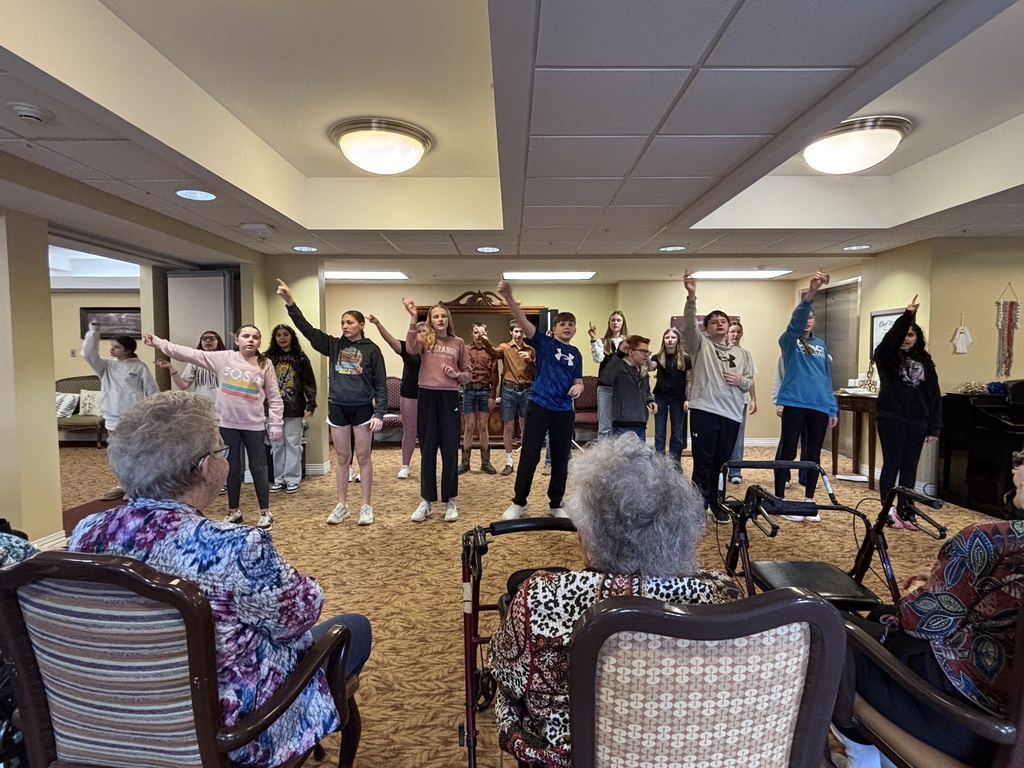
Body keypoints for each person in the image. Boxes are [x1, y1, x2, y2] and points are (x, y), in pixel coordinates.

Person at [66, 392, 371, 768]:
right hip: (224, 730)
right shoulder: (236, 548)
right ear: (206, 468)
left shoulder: (87, 533)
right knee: (353, 628)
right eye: (221, 449)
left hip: (107, 716)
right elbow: (302, 614)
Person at [488, 435, 741, 768]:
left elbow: (506, 675)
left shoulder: (542, 597)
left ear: (590, 532)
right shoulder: (721, 595)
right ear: (681, 526)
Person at [836, 502, 1024, 767]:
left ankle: (863, 761)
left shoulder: (992, 539)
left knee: (824, 630)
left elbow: (918, 620)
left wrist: (925, 586)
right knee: (880, 614)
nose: (1015, 466)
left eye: (1020, 460)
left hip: (965, 724)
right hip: (1011, 732)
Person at [143, 325, 283, 530]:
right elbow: (188, 354)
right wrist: (158, 342)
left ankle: (265, 513)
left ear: (259, 342)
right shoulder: (224, 358)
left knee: (258, 468)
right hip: (227, 424)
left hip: (253, 425)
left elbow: (274, 397)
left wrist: (276, 424)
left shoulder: (265, 363)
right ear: (237, 340)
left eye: (255, 337)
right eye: (246, 336)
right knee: (231, 469)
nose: (250, 340)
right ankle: (234, 512)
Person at [276, 280, 387, 527]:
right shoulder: (333, 345)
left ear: (361, 325)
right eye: (342, 323)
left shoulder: (372, 350)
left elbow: (380, 384)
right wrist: (290, 303)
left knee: (363, 457)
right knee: (342, 458)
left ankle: (366, 506)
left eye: (349, 322)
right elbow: (306, 329)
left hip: (362, 409)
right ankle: (342, 505)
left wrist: (379, 412)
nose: (345, 326)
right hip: (337, 407)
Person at [497, 280, 583, 520]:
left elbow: (579, 380)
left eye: (571, 324)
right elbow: (524, 323)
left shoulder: (575, 353)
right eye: (562, 324)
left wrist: (578, 386)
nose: (567, 327)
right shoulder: (544, 343)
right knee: (530, 455)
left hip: (564, 411)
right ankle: (519, 502)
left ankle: (556, 503)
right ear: (554, 329)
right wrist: (510, 299)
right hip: (539, 405)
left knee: (560, 459)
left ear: (574, 330)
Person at [681, 275, 755, 523]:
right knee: (703, 462)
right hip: (704, 410)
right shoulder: (700, 346)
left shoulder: (743, 354)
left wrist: (740, 381)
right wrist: (692, 297)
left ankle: (717, 502)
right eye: (714, 322)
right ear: (707, 328)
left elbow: (749, 382)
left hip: (732, 413)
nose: (720, 324)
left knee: (722, 463)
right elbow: (689, 327)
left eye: (723, 321)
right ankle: (697, 505)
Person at [774, 271, 838, 520]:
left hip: (819, 405)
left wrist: (832, 408)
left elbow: (826, 377)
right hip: (794, 402)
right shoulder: (788, 341)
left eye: (811, 317)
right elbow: (795, 322)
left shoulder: (821, 344)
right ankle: (780, 498)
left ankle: (808, 500)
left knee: (812, 453)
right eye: (804, 317)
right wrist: (811, 293)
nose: (807, 321)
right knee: (788, 450)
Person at [403, 297, 471, 523]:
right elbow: (410, 348)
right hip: (427, 396)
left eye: (443, 316)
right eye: (436, 316)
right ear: (430, 321)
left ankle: (450, 499)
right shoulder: (424, 339)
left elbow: (468, 374)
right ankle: (426, 501)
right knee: (428, 450)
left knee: (450, 450)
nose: (440, 319)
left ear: (448, 319)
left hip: (449, 396)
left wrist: (456, 376)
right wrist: (413, 318)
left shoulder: (458, 342)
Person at [873, 295, 942, 515]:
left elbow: (934, 394)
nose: (906, 338)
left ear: (917, 338)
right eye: (903, 334)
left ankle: (906, 509)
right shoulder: (886, 356)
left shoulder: (925, 361)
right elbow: (891, 340)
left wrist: (933, 427)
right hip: (891, 417)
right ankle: (887, 510)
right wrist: (907, 315)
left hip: (917, 420)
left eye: (910, 335)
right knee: (892, 464)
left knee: (910, 466)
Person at [82, 320, 159, 499]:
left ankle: (137, 486)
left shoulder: (139, 367)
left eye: (116, 347)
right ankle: (123, 484)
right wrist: (93, 331)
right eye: (111, 346)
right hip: (112, 416)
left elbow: (152, 391)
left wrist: (155, 415)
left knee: (136, 452)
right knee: (117, 453)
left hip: (135, 418)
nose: (112, 349)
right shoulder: (107, 366)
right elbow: (88, 353)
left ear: (127, 349)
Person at [265, 324, 317, 495]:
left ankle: (292, 479)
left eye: (285, 334)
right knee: (276, 444)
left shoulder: (300, 357)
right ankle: (279, 479)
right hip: (272, 408)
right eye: (278, 335)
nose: (282, 338)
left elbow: (309, 382)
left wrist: (311, 402)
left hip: (294, 406)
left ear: (291, 336)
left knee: (293, 443)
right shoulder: (267, 358)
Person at [368, 314, 422, 479]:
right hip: (409, 396)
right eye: (418, 331)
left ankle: (428, 463)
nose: (422, 334)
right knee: (410, 431)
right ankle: (405, 465)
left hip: (430, 396)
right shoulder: (408, 349)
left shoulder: (434, 351)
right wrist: (378, 323)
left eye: (425, 331)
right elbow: (390, 340)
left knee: (428, 432)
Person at [495, 319, 536, 476]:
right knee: (509, 426)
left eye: (521, 331)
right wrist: (483, 340)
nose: (519, 334)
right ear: (511, 332)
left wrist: (529, 361)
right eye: (516, 331)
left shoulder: (530, 350)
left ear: (524, 333)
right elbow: (493, 353)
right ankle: (509, 461)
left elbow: (535, 371)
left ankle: (524, 461)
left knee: (525, 425)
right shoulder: (505, 347)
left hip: (527, 389)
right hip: (509, 389)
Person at [459, 323, 501, 475]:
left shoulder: (491, 351)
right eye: (476, 332)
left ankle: (485, 462)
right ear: (472, 333)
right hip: (469, 390)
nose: (478, 335)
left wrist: (492, 396)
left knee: (483, 426)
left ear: (486, 333)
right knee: (469, 426)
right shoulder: (466, 350)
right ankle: (465, 462)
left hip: (485, 391)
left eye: (481, 332)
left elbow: (495, 375)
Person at [597, 334, 656, 441]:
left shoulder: (643, 371)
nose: (646, 355)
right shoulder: (618, 367)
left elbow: (646, 391)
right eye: (643, 351)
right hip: (622, 424)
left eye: (647, 352)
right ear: (631, 352)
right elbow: (605, 378)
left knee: (639, 456)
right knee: (622, 457)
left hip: (641, 422)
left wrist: (650, 400)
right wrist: (619, 354)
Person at [651, 327, 690, 467]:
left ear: (678, 340)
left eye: (673, 337)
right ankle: (659, 465)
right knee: (659, 433)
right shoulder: (657, 357)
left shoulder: (685, 358)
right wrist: (646, 360)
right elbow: (651, 367)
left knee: (677, 433)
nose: (670, 340)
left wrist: (688, 399)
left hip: (678, 399)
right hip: (660, 397)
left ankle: (675, 465)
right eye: (667, 338)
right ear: (664, 340)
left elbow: (689, 379)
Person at [726, 322, 758, 483]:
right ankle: (721, 469)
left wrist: (753, 399)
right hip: (723, 401)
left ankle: (735, 472)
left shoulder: (746, 355)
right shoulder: (721, 352)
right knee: (723, 436)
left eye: (738, 332)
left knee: (738, 436)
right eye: (732, 331)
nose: (735, 335)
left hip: (740, 400)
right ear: (727, 333)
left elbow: (750, 378)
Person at [588, 311, 628, 440]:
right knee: (605, 425)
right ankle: (603, 458)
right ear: (609, 323)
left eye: (618, 320)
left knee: (620, 424)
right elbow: (598, 358)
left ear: (622, 323)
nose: (615, 323)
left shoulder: (628, 343)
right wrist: (593, 340)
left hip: (622, 388)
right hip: (605, 388)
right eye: (613, 320)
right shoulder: (602, 341)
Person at [158, 330, 226, 402]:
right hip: (202, 403)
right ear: (201, 343)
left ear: (218, 342)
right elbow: (183, 385)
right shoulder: (195, 361)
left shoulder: (226, 359)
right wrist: (170, 367)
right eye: (204, 339)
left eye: (211, 338)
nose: (208, 341)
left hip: (224, 404)